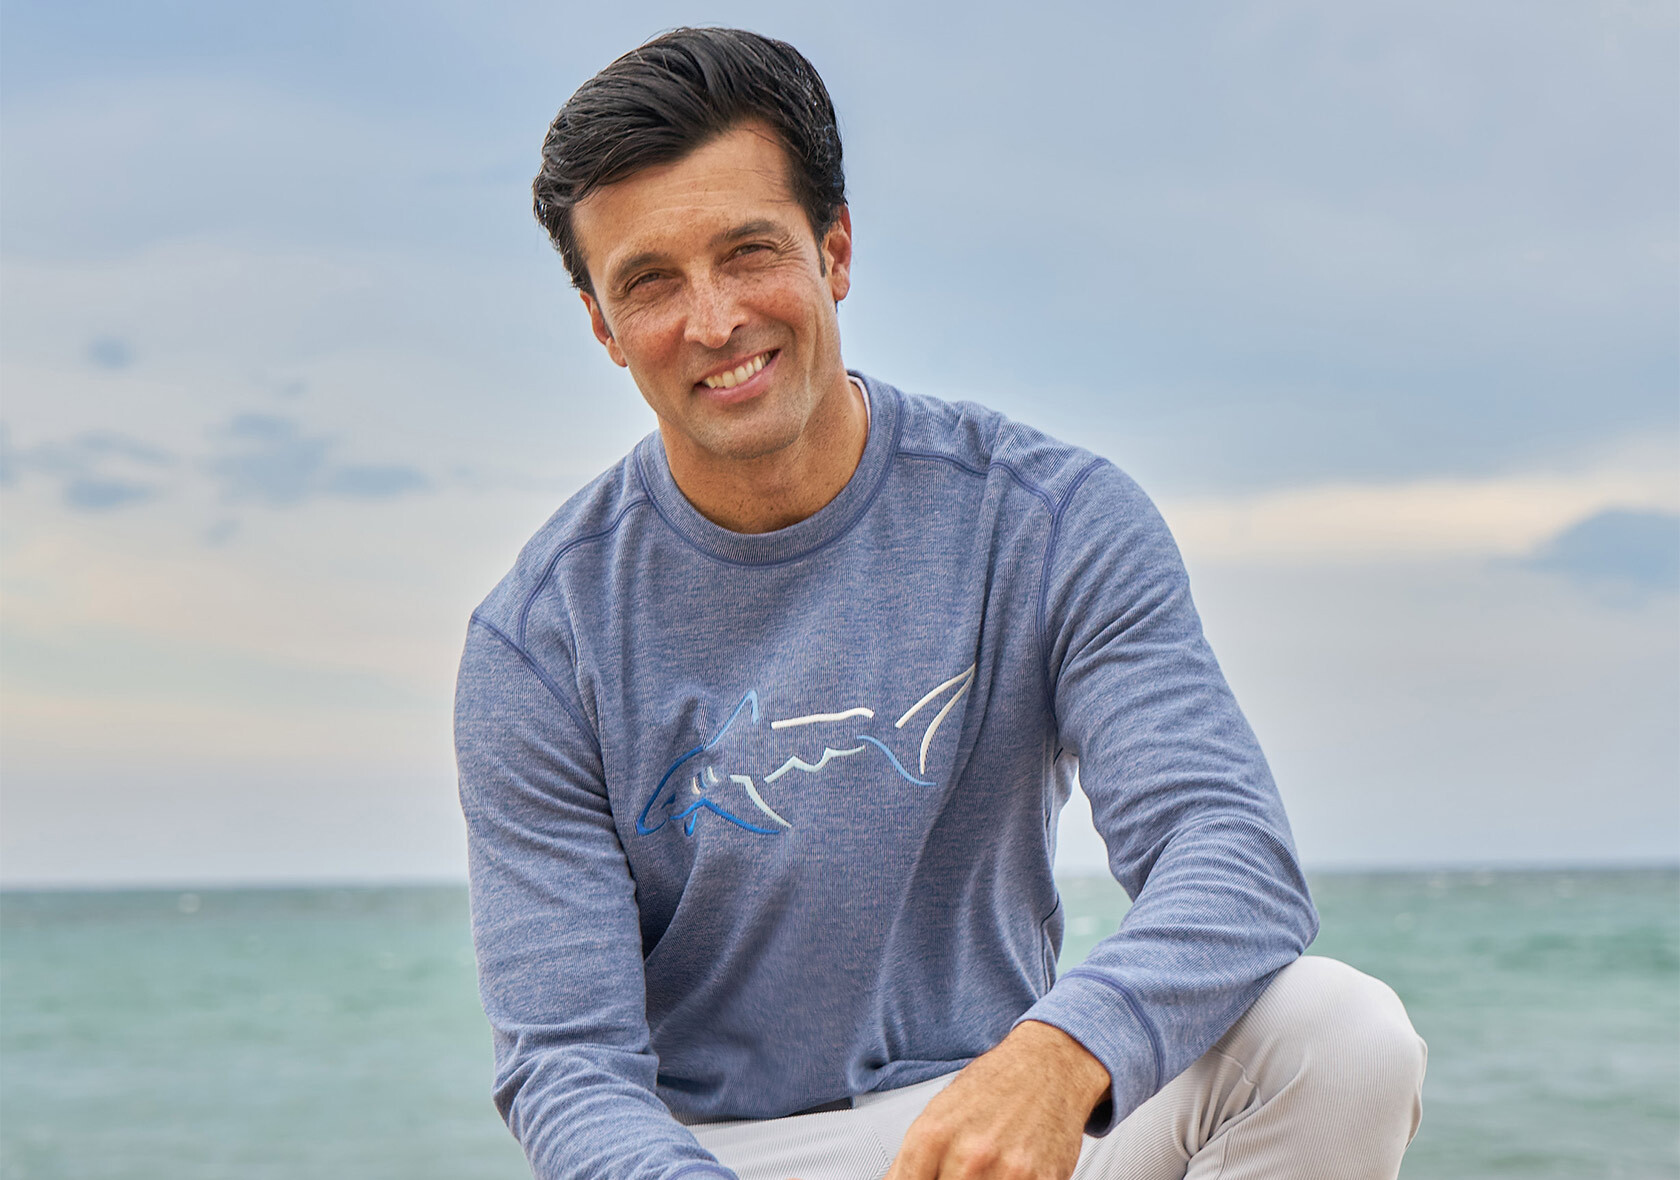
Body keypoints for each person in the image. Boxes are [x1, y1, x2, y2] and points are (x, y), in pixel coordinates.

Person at [454, 26, 1426, 1180]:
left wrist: (1065, 1050)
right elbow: (568, 1063)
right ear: (603, 328)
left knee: (1339, 1034)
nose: (712, 322)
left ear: (837, 251)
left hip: (1003, 1115)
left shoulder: (1053, 521)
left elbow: (1232, 857)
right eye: (651, 283)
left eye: (749, 252)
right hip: (714, 1153)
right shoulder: (537, 642)